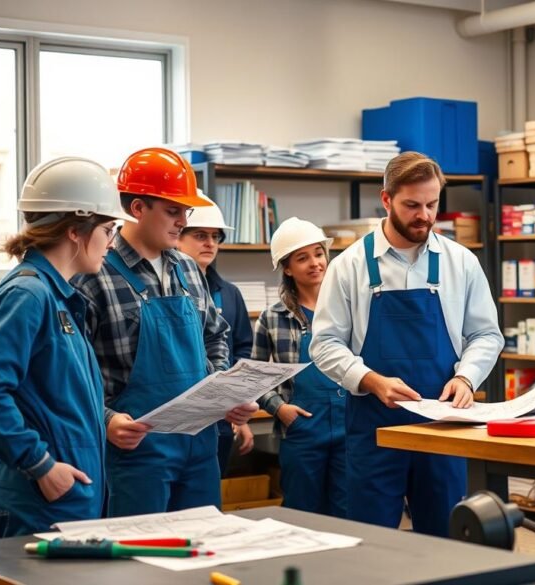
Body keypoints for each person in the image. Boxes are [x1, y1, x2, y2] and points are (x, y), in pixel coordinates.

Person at [310, 152, 503, 536]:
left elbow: (486, 334)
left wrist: (465, 378)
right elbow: (325, 343)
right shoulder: (348, 266)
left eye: (432, 205)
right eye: (412, 205)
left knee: (447, 537)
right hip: (374, 427)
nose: (425, 216)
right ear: (387, 200)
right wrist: (370, 380)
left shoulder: (461, 262)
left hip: (443, 424)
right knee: (373, 540)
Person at [73, 147, 258, 517]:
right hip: (135, 450)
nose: (181, 222)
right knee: (140, 568)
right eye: (173, 211)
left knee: (202, 556)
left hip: (200, 448)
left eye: (185, 212)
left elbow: (215, 335)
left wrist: (223, 392)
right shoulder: (94, 273)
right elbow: (72, 370)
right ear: (137, 208)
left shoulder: (188, 269)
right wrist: (105, 419)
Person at [0, 157, 135, 538]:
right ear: (75, 230)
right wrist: (39, 464)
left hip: (66, 500)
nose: (112, 242)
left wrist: (104, 420)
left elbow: (61, 397)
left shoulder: (61, 298)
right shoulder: (28, 295)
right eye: (108, 229)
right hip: (36, 501)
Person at [253, 218, 348, 517]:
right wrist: (280, 409)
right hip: (301, 429)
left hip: (349, 426)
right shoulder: (272, 317)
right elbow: (254, 376)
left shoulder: (348, 309)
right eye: (302, 258)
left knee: (348, 512)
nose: (315, 263)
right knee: (302, 513)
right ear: (287, 268)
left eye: (318, 254)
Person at [177, 193, 255, 475]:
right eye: (200, 235)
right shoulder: (164, 289)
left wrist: (239, 413)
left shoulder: (230, 294)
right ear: (178, 235)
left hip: (222, 415)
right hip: (176, 416)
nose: (210, 243)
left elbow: (243, 351)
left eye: (215, 236)